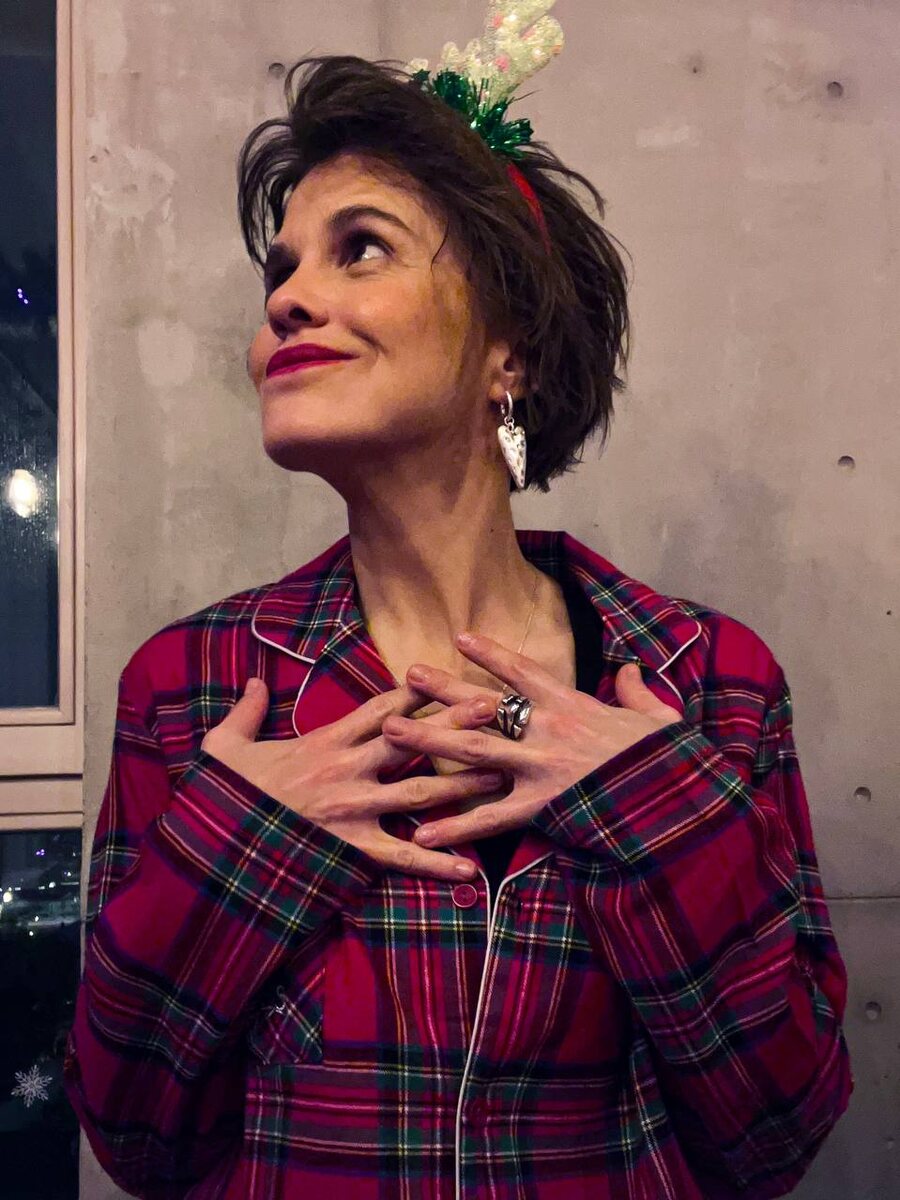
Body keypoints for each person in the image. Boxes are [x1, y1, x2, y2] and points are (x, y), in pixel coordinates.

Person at [63, 22, 853, 1200]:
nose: (288, 303)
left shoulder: (707, 676)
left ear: (509, 352)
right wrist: (244, 843)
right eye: (281, 272)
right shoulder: (196, 686)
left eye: (361, 249)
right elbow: (135, 1143)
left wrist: (645, 806)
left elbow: (774, 1140)